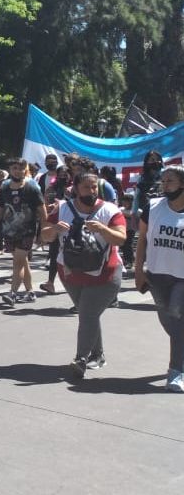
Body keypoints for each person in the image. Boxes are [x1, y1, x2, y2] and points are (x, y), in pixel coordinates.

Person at [40, 172, 126, 378]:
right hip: (70, 272)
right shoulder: (62, 209)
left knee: (87, 314)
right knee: (90, 314)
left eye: (94, 187)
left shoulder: (109, 210)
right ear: (76, 188)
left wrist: (104, 229)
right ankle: (98, 354)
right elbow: (44, 235)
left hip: (105, 274)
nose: (92, 191)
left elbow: (121, 239)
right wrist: (54, 229)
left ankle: (81, 358)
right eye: (87, 187)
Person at [134, 165, 184, 391]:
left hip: (182, 279)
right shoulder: (153, 207)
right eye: (163, 181)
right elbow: (142, 239)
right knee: (169, 323)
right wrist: (138, 270)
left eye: (170, 181)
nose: (164, 185)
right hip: (156, 275)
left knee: (176, 319)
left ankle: (175, 372)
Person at [0, 158, 44, 307]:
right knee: (23, 262)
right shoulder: (4, 188)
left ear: (25, 170)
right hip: (9, 231)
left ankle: (12, 293)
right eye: (14, 168)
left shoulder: (32, 187)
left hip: (27, 231)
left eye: (21, 168)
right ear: (10, 169)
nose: (17, 171)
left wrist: (42, 232)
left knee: (18, 263)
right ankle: (30, 292)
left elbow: (42, 211)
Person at [39, 166, 72, 294]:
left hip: (70, 225)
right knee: (54, 254)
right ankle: (50, 282)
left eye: (66, 173)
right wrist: (51, 206)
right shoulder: (52, 187)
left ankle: (74, 285)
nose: (64, 175)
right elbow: (46, 200)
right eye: (61, 173)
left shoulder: (74, 186)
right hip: (56, 221)